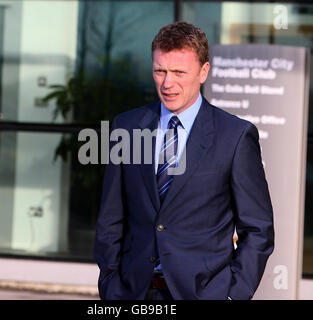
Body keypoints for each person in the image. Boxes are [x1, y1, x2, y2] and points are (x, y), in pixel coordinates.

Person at [94, 21, 274, 300]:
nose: (168, 83)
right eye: (160, 71)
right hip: (134, 293)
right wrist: (110, 283)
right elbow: (111, 218)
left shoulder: (235, 136)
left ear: (203, 72)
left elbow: (258, 230)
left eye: (179, 72)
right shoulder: (126, 127)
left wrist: (232, 294)